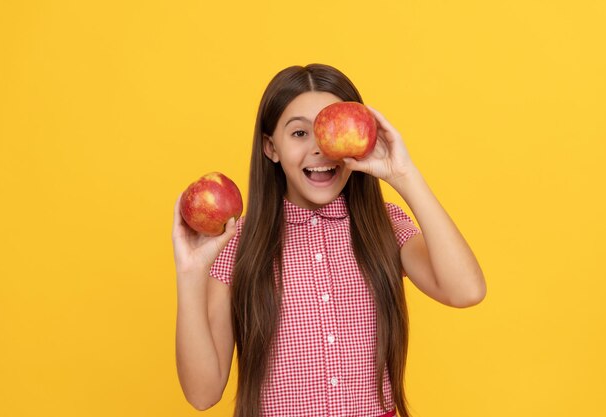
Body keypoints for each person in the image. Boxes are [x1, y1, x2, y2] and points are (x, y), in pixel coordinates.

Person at [172, 64, 486, 417]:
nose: (320, 147)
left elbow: (466, 291)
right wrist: (190, 272)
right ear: (270, 147)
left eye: (329, 129)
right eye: (299, 133)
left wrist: (404, 174)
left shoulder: (385, 226)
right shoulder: (238, 243)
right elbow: (202, 393)